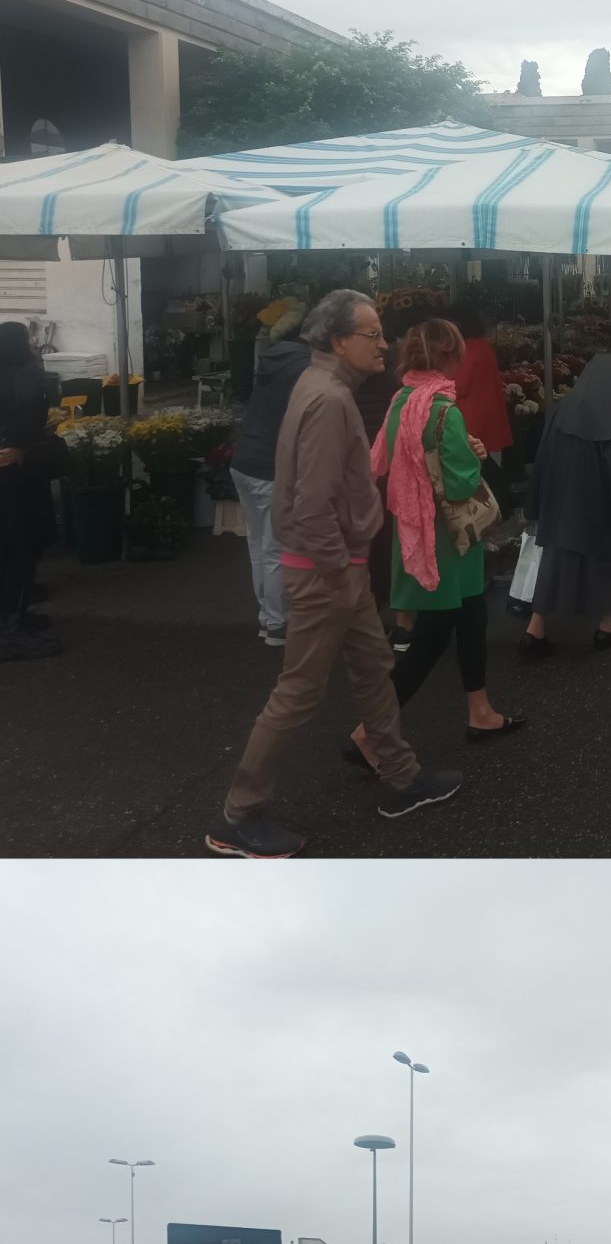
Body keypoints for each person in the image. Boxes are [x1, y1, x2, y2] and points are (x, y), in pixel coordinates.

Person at [209, 291, 458, 856]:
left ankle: (400, 773)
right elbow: (310, 501)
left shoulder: (325, 388)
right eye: (373, 334)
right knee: (298, 692)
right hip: (327, 571)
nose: (384, 344)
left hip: (338, 564)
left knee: (373, 667)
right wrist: (336, 571)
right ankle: (238, 815)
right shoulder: (329, 400)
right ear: (339, 341)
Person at [349, 320, 522, 766]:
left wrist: (463, 449)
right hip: (446, 536)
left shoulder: (403, 400)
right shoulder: (444, 408)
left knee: (472, 614)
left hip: (417, 529)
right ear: (448, 357)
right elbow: (461, 481)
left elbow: (404, 458)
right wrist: (472, 455)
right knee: (433, 635)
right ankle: (369, 731)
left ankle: (480, 710)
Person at [522, 353, 611, 655]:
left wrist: (535, 501)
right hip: (596, 504)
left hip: (560, 501)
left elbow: (542, 455)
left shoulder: (562, 409)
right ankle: (605, 628)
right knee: (605, 563)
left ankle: (534, 631)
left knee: (555, 562)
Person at [225, 328, 312, 650]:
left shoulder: (273, 360)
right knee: (277, 548)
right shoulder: (305, 368)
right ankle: (277, 623)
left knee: (258, 546)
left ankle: (267, 617)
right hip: (270, 467)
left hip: (244, 461)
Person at [0, 322, 59, 660]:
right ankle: (12, 628)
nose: (34, 342)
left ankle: (14, 615)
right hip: (18, 476)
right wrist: (24, 447)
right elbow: (30, 418)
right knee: (23, 548)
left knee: (7, 548)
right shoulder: (26, 373)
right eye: (29, 338)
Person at [449, 305, 517, 521]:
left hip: (470, 414)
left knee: (477, 463)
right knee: (485, 460)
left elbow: (459, 384)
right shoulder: (483, 346)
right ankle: (502, 501)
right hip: (487, 411)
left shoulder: (465, 348)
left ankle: (495, 505)